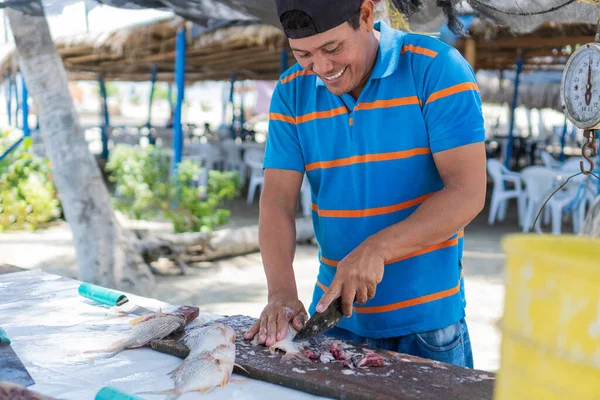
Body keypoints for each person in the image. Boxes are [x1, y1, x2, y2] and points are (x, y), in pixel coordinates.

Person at [243, 0, 486, 368]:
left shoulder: (436, 69)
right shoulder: (291, 91)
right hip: (333, 319)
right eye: (303, 54)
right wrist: (281, 292)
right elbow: (277, 201)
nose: (322, 68)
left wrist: (377, 249)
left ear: (366, 15)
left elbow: (467, 193)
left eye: (333, 48)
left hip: (427, 327)